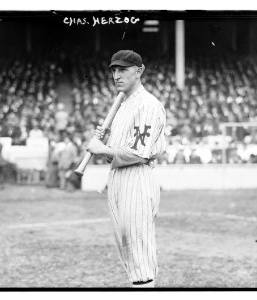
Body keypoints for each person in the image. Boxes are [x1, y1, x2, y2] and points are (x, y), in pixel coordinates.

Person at [86, 50, 167, 288]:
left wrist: (102, 149)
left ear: (139, 71)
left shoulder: (148, 105)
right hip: (119, 177)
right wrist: (107, 140)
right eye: (114, 70)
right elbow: (123, 147)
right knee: (126, 245)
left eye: (123, 69)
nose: (116, 75)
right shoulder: (123, 103)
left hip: (137, 177)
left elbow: (137, 153)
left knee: (138, 246)